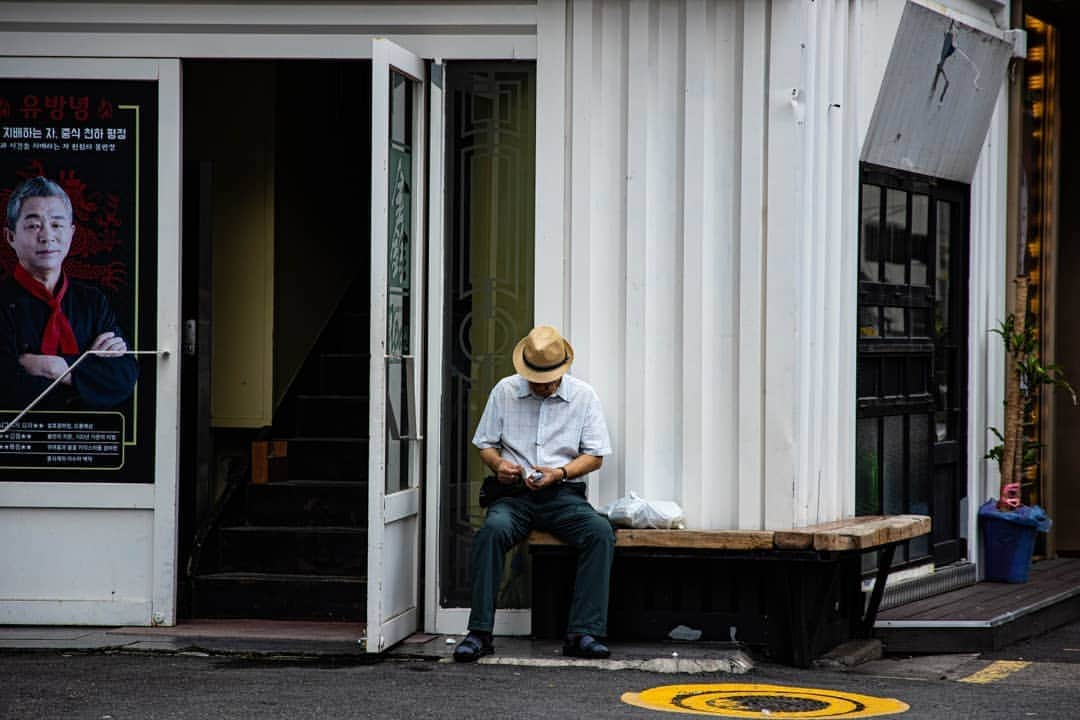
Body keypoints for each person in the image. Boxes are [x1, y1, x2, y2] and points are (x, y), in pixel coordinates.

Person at [453, 325, 615, 662]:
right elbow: (485, 445)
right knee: (492, 532)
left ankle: (583, 632)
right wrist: (500, 465)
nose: (542, 386)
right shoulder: (505, 391)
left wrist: (561, 472)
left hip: (563, 495)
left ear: (561, 371)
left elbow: (595, 456)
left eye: (548, 380)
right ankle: (479, 632)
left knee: (600, 533)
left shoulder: (583, 396)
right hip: (514, 495)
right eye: (536, 380)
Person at [0, 176, 137, 411]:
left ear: (72, 233)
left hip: (83, 437)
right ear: (10, 236)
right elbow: (7, 386)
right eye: (33, 225)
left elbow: (123, 376)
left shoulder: (92, 302)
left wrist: (58, 368)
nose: (47, 236)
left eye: (56, 224)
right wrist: (89, 373)